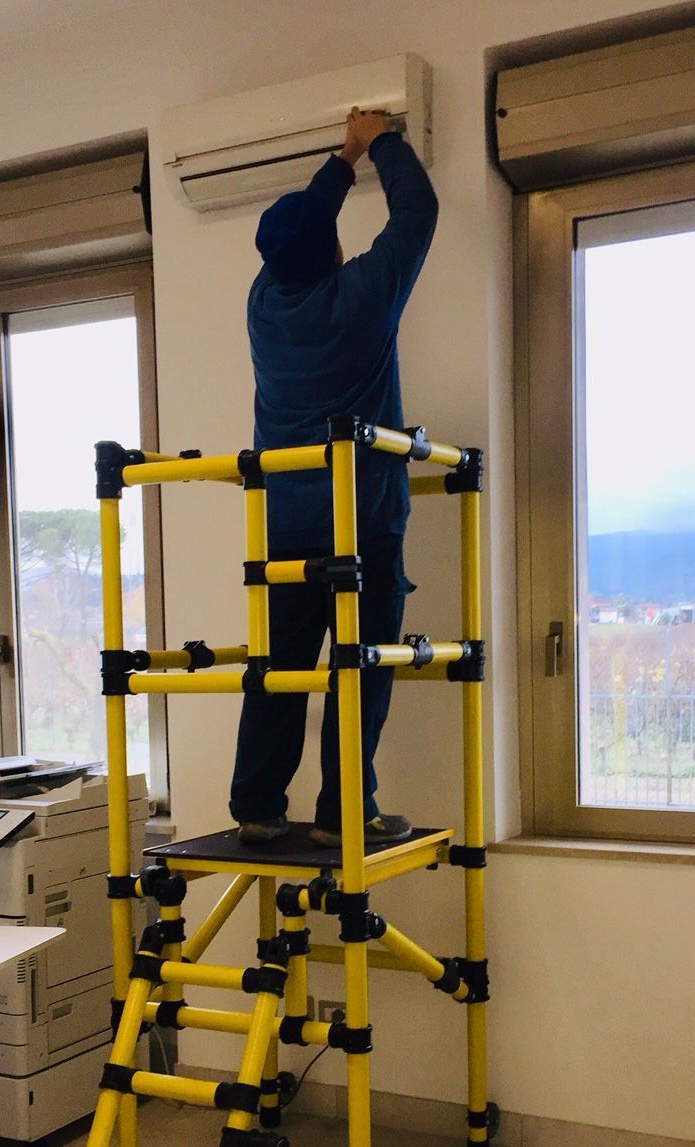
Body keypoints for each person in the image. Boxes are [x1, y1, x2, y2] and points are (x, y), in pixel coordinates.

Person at [229, 106, 438, 848]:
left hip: (284, 527)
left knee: (280, 669)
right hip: (363, 524)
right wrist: (378, 142)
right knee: (358, 669)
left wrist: (346, 157)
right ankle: (346, 811)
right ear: (335, 246)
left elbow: (301, 229)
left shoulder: (263, 304)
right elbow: (419, 212)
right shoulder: (363, 298)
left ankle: (257, 804)